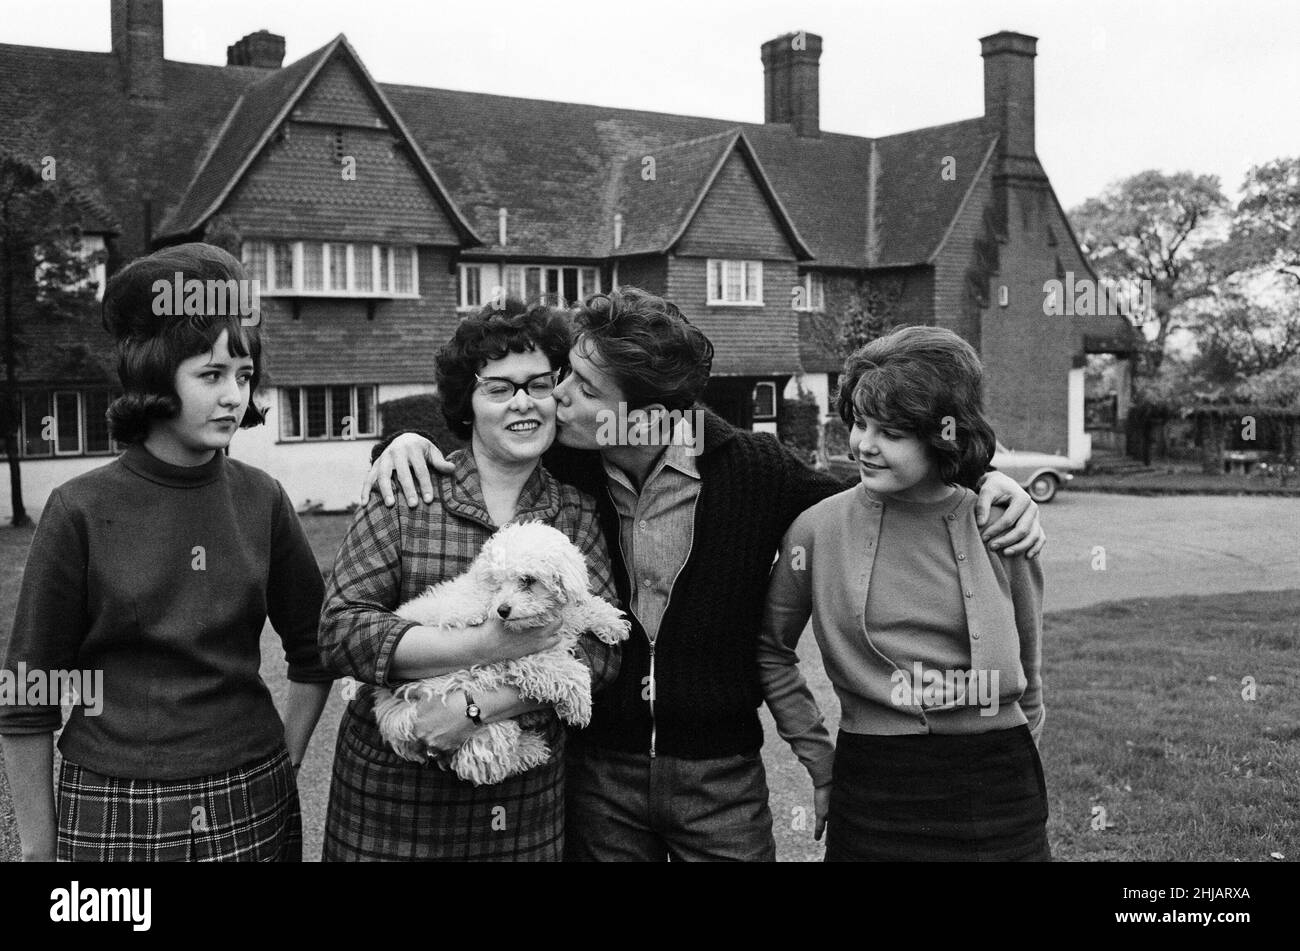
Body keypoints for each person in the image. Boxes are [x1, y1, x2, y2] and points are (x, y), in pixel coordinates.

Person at [364, 288, 1045, 862]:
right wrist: (407, 441)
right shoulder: (561, 471)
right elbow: (483, 456)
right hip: (599, 771)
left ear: (648, 414)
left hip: (721, 779)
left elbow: (880, 480)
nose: (554, 396)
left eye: (581, 386)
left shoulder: (755, 469)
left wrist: (986, 480)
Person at [0, 243, 333, 862]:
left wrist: (285, 759)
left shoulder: (263, 499)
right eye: (211, 375)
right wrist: (39, 850)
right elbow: (26, 700)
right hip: (110, 807)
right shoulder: (79, 509)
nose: (234, 395)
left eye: (244, 374)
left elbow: (316, 651)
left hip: (252, 799)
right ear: (155, 376)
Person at [318, 300, 622, 861]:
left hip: (521, 808)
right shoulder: (409, 493)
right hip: (390, 807)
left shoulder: (576, 509)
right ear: (468, 403)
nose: (523, 402)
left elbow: (601, 653)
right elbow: (342, 631)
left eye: (538, 384)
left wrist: (479, 708)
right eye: (499, 388)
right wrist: (484, 645)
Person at [759, 325, 1049, 861]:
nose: (864, 445)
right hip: (873, 786)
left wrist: (1020, 754)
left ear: (942, 435)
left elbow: (1029, 671)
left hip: (998, 784)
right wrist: (821, 762)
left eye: (891, 433)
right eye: (859, 423)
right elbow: (770, 650)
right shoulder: (816, 529)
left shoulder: (1001, 523)